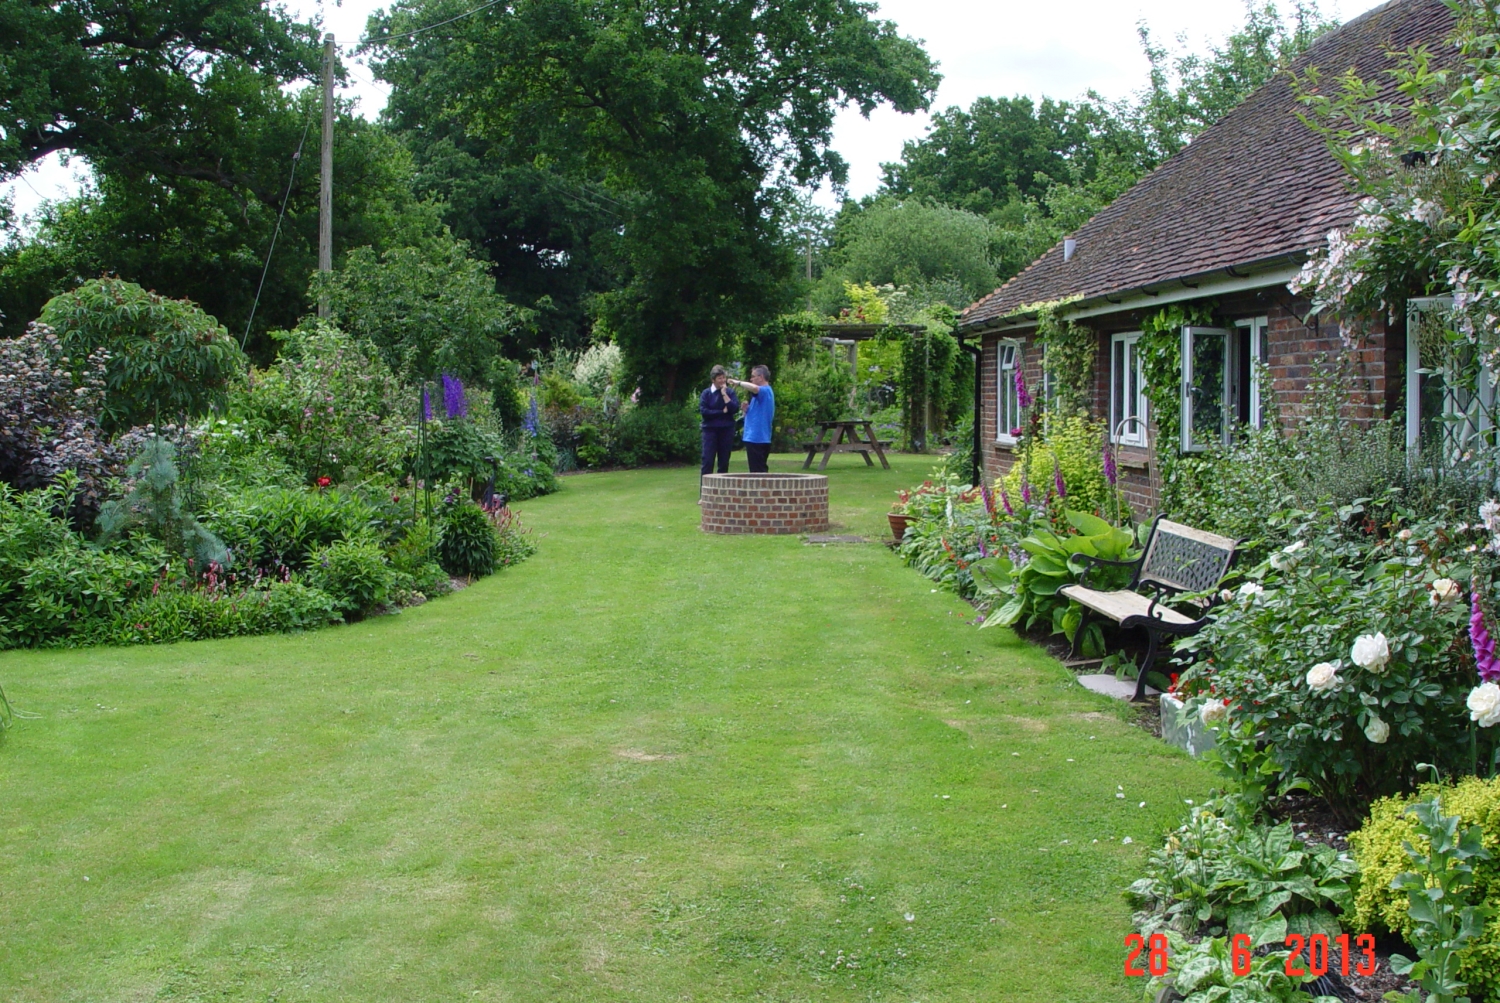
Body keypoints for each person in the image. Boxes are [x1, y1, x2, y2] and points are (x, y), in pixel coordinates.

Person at [730, 365, 775, 473]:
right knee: (757, 471)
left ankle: (762, 490)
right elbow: (755, 414)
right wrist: (746, 410)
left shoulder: (764, 391)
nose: (751, 379)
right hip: (755, 437)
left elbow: (754, 388)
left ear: (761, 377)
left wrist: (738, 383)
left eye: (753, 376)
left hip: (757, 438)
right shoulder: (760, 395)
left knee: (758, 473)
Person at [698, 365, 739, 475]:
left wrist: (724, 394)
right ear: (713, 380)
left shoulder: (729, 393)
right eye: (719, 378)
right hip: (710, 430)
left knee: (724, 461)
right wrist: (722, 412)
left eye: (723, 378)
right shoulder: (706, 394)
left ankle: (721, 490)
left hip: (726, 430)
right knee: (707, 460)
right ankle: (705, 489)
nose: (722, 381)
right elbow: (704, 412)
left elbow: (734, 409)